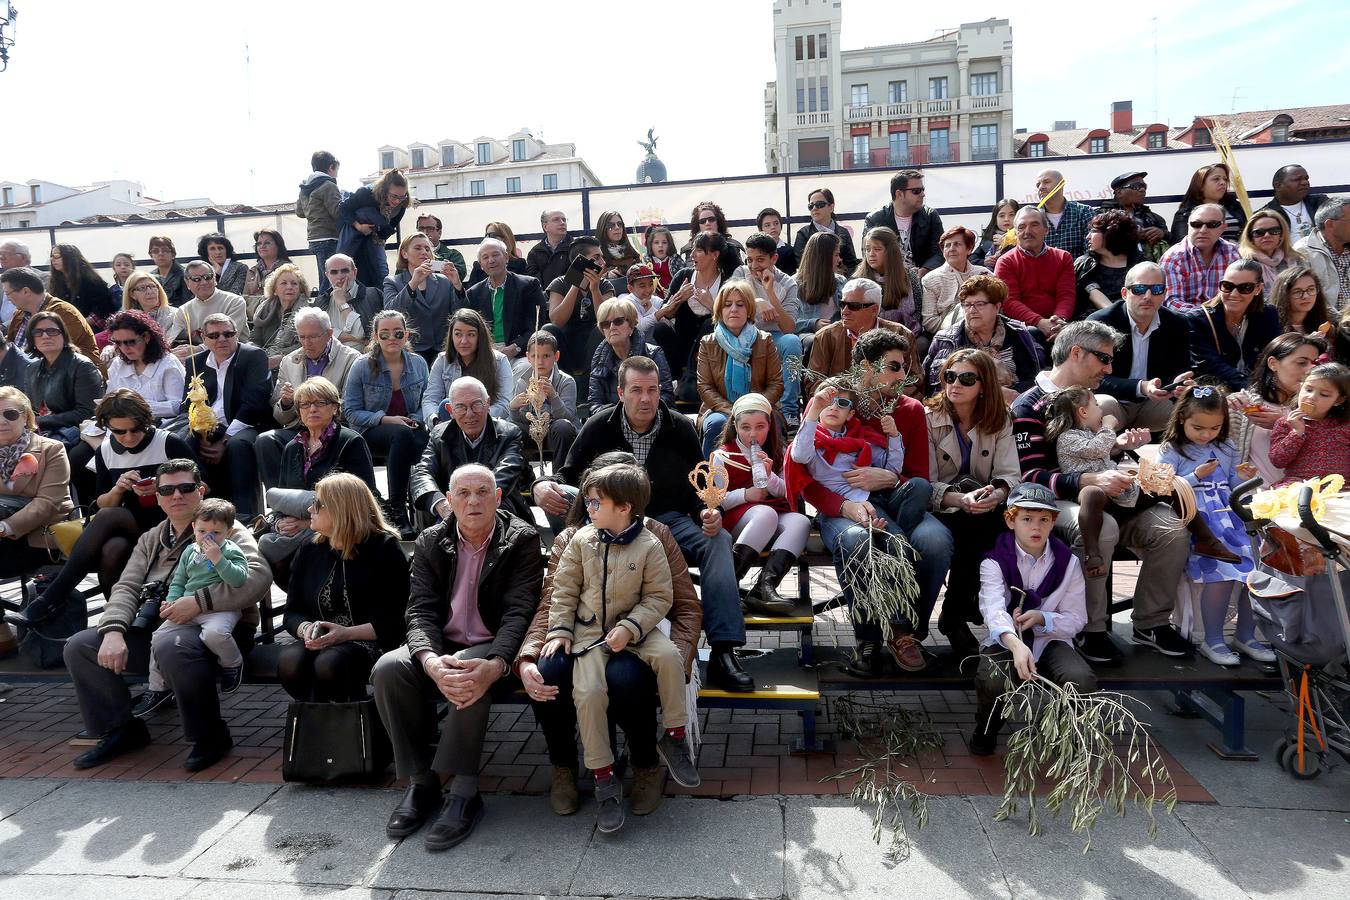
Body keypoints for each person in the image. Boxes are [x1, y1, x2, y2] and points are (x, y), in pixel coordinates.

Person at [531, 356, 754, 692]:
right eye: (636, 390)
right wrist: (540, 486)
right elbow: (567, 475)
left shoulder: (679, 427)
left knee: (718, 540)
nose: (646, 399)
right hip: (611, 524)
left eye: (653, 390)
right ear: (620, 392)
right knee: (557, 490)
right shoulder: (599, 425)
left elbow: (699, 488)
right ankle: (572, 620)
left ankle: (723, 651)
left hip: (669, 519)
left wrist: (707, 514)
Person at [372, 463, 542, 851]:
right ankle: (421, 781)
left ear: (498, 498)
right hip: (442, 643)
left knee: (467, 669)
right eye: (463, 494)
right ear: (448, 502)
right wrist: (429, 660)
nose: (473, 501)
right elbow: (420, 611)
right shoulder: (432, 540)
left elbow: (520, 611)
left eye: (483, 492)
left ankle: (465, 792)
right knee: (388, 669)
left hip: (496, 644)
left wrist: (497, 663)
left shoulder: (522, 539)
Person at [62, 459, 272, 771]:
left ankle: (210, 735)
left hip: (217, 632)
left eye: (186, 488)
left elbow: (257, 578)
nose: (177, 495)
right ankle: (122, 729)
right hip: (159, 627)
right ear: (157, 497)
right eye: (167, 490)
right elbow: (127, 586)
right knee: (80, 646)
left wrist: (199, 602)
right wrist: (114, 631)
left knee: (171, 645)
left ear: (200, 492)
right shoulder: (151, 538)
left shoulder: (224, 530)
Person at [1011, 321, 1192, 665]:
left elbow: (1101, 452)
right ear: (1076, 353)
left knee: (1172, 528)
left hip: (1111, 496)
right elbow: (1030, 477)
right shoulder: (1029, 405)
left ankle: (1150, 623)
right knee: (1099, 527)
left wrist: (1121, 455)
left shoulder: (1094, 403)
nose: (1109, 369)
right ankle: (1089, 629)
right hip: (1057, 502)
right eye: (1104, 359)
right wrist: (1089, 481)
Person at [542, 462, 699, 832]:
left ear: (625, 507)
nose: (588, 509)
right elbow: (562, 591)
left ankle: (673, 737)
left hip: (638, 630)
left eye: (596, 503)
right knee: (590, 692)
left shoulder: (651, 544)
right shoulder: (580, 541)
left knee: (670, 657)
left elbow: (661, 596)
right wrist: (561, 629)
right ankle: (603, 777)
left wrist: (631, 627)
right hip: (588, 633)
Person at [790, 368, 935, 676]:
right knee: (856, 542)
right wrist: (812, 414)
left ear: (851, 412)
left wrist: (893, 436)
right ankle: (867, 638)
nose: (833, 405)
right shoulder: (813, 440)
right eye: (826, 399)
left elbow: (892, 468)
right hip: (834, 515)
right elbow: (800, 456)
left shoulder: (863, 440)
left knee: (900, 547)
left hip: (874, 509)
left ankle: (900, 630)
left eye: (841, 402)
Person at [9, 389, 193, 628]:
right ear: (107, 427)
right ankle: (121, 622)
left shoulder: (168, 442)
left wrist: (164, 487)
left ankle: (50, 599)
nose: (128, 437)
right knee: (112, 548)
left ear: (146, 423)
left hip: (173, 522)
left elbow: (204, 486)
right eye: (119, 431)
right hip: (133, 527)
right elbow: (101, 501)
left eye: (135, 430)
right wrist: (118, 489)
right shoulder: (106, 449)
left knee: (109, 518)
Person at [1046, 385, 1235, 578]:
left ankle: (1207, 541)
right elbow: (1096, 448)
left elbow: (1104, 454)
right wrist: (1109, 426)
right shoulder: (1068, 437)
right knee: (1091, 493)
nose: (1101, 411)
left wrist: (1121, 447)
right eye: (1096, 405)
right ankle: (1092, 554)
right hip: (1099, 498)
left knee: (1173, 485)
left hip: (1122, 493)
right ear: (1083, 412)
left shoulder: (1094, 435)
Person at [968, 483, 1094, 756]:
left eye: (1043, 520)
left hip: (1051, 639)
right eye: (1027, 519)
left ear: (1053, 522)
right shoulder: (994, 562)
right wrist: (1015, 645)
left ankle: (1064, 734)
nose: (1036, 528)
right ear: (1010, 520)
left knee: (1080, 678)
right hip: (1007, 641)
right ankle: (987, 728)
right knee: (994, 679)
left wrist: (1042, 618)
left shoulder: (1068, 562)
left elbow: (1076, 618)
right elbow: (993, 610)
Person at [1157, 387, 1270, 666]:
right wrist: (1196, 475)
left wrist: (1243, 478)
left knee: (1255, 570)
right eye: (1199, 427)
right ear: (1181, 418)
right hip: (1198, 519)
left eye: (1214, 427)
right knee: (1220, 573)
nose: (1207, 434)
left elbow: (1232, 484)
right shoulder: (1172, 449)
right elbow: (1164, 487)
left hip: (1228, 514)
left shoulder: (1226, 446)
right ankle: (1214, 639)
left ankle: (1246, 635)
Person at [924, 349, 1020, 659]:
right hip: (941, 506)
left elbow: (1009, 475)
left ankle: (961, 613)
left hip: (982, 506)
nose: (955, 384)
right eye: (949, 376)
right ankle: (958, 613)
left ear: (983, 385)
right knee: (972, 522)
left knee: (993, 521)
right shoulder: (928, 418)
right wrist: (959, 499)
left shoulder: (1000, 417)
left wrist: (996, 494)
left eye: (966, 378)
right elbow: (924, 481)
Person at [280, 472, 409, 702]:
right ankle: (324, 722)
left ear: (341, 509)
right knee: (289, 663)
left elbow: (397, 619)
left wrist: (345, 634)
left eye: (317, 504)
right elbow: (292, 612)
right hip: (321, 640)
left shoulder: (383, 548)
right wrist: (306, 629)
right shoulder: (310, 549)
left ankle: (354, 723)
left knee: (330, 664)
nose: (310, 509)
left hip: (370, 641)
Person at [136, 498, 251, 712]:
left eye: (215, 533)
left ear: (229, 531)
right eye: (201, 531)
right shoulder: (190, 551)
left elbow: (238, 580)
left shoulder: (231, 551)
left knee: (215, 634)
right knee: (159, 637)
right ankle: (156, 687)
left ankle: (232, 664)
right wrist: (171, 601)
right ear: (193, 528)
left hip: (220, 608)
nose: (207, 537)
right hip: (187, 607)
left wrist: (219, 560)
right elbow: (179, 581)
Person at [263, 377, 377, 586]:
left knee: (302, 556)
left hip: (338, 528)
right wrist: (280, 523)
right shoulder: (292, 447)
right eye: (305, 404)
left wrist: (309, 523)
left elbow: (364, 498)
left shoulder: (350, 442)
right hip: (297, 530)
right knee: (265, 550)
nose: (312, 409)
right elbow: (282, 498)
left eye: (320, 403)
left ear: (334, 408)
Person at [714, 393, 810, 614]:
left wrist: (771, 477)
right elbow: (715, 501)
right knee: (766, 514)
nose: (753, 434)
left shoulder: (778, 451)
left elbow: (789, 492)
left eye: (760, 427)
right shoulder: (722, 456)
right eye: (745, 427)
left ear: (770, 426)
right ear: (735, 427)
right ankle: (727, 589)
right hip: (738, 520)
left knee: (800, 522)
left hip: (771, 515)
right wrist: (746, 494)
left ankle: (763, 588)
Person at [342, 310, 429, 535]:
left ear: (407, 335)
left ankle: (425, 508)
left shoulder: (418, 364)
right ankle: (397, 509)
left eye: (398, 333)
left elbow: (425, 403)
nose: (392, 339)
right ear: (375, 337)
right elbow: (351, 412)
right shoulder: (362, 366)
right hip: (370, 431)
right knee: (401, 435)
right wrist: (385, 418)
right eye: (385, 334)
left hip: (409, 429)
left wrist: (415, 419)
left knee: (426, 439)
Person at [176, 314, 272, 520]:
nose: (222, 339)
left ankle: (246, 516)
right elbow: (188, 405)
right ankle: (198, 510)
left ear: (236, 334)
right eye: (214, 335)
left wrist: (226, 438)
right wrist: (201, 435)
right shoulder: (196, 361)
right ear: (203, 337)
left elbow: (254, 404)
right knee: (183, 442)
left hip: (246, 423)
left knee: (237, 445)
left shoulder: (253, 356)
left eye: (228, 334)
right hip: (208, 427)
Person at [257, 307, 361, 487]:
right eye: (302, 337)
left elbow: (350, 405)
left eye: (313, 336)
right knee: (265, 440)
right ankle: (280, 502)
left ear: (329, 334)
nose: (307, 342)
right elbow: (279, 415)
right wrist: (287, 403)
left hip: (334, 429)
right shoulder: (290, 361)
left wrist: (317, 406)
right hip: (298, 427)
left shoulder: (351, 359)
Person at [1086, 261, 1196, 431]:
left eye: (1156, 290)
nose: (1147, 296)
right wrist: (1141, 387)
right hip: (1113, 403)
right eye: (1138, 289)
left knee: (1193, 407)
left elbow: (1179, 370)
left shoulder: (1177, 323)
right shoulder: (1100, 323)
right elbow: (1091, 378)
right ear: (1124, 293)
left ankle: (1180, 458)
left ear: (1164, 294)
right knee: (1101, 406)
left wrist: (1177, 385)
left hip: (1153, 404)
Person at [411, 375, 530, 523]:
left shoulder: (509, 434)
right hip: (450, 508)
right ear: (450, 410)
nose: (469, 414)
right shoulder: (439, 435)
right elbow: (422, 472)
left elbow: (505, 475)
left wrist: (469, 503)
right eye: (461, 407)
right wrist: (441, 503)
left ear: (488, 404)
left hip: (494, 508)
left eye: (476, 405)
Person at [696, 281, 784, 457]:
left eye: (740, 304)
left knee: (771, 422)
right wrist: (734, 412)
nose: (733, 309)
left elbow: (776, 383)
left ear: (749, 309)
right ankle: (710, 481)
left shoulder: (764, 340)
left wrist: (754, 409)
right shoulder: (708, 342)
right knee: (716, 424)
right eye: (727, 305)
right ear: (720, 310)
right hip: (719, 409)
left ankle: (774, 479)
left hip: (760, 408)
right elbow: (705, 387)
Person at [1228, 332, 1325, 486]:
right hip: (1254, 501)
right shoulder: (1243, 404)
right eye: (1301, 362)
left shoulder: (1322, 408)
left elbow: (1331, 452)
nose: (1309, 370)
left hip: (1305, 500)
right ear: (1273, 363)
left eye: (1315, 364)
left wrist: (1283, 424)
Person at [0, 386, 73, 579]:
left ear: (25, 418)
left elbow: (47, 503)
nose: (2, 421)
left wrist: (5, 527)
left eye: (10, 414)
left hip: (39, 536)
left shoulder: (52, 449)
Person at [808, 278, 921, 399]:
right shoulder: (825, 336)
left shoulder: (902, 334)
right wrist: (846, 402)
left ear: (874, 310)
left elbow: (914, 382)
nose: (844, 311)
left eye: (853, 306)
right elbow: (814, 383)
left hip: (889, 409)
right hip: (841, 409)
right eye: (842, 304)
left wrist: (882, 401)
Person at [733, 232, 803, 426]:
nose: (754, 266)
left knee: (793, 342)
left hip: (777, 336)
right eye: (750, 259)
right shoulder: (740, 273)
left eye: (760, 260)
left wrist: (770, 292)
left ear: (774, 258)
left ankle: (790, 411)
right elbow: (727, 304)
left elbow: (789, 327)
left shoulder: (788, 283)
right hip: (745, 332)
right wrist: (757, 302)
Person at [1190, 259, 1282, 390]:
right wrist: (1252, 388)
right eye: (1227, 286)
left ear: (1258, 289)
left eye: (1245, 288)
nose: (1234, 294)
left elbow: (1278, 354)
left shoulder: (1268, 315)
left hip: (1259, 388)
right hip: (1217, 392)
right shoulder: (1198, 320)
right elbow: (1211, 366)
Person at [22, 311, 104, 448]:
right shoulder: (32, 369)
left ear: (64, 336)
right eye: (38, 332)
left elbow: (87, 413)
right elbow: (30, 409)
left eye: (52, 331)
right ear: (32, 340)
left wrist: (39, 421)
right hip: (42, 431)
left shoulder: (82, 366)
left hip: (78, 434)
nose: (46, 336)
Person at [993, 207, 1075, 341]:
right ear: (1015, 233)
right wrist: (1039, 322)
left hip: (1058, 325)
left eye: (1034, 225)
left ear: (1046, 230)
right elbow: (1009, 302)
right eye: (1021, 227)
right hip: (1022, 328)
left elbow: (1066, 295)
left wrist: (1058, 321)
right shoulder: (1005, 262)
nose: (1027, 232)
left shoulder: (1063, 257)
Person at [424, 308, 514, 424]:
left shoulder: (499, 361)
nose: (463, 341)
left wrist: (473, 418)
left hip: (487, 424)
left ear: (479, 336)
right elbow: (430, 399)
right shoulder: (442, 360)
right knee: (444, 404)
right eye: (458, 334)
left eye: (471, 334)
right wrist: (436, 420)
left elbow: (504, 404)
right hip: (450, 424)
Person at [464, 237, 547, 362]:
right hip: (486, 352)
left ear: (506, 257)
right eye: (485, 257)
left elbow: (536, 325)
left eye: (495, 255)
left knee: (526, 368)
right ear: (480, 265)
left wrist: (515, 347)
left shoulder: (528, 285)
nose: (491, 260)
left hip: (520, 351)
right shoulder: (473, 293)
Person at [1269, 362, 1350, 487]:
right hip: (1298, 486)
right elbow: (1278, 460)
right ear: (1301, 387)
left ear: (1338, 400)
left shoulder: (1345, 425)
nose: (1311, 397)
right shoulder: (1285, 423)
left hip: (1340, 487)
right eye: (1308, 389)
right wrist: (1296, 433)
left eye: (1323, 394)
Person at [3, 266, 101, 368]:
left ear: (25, 291)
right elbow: (9, 347)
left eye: (7, 294)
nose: (8, 299)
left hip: (73, 378)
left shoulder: (63, 313)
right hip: (27, 375)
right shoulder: (19, 314)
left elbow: (59, 355)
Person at [384, 232, 457, 368]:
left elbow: (459, 313)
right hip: (411, 352)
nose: (424, 252)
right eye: (418, 248)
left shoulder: (444, 281)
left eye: (427, 249)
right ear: (404, 254)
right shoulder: (393, 281)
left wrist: (458, 285)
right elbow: (390, 313)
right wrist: (413, 283)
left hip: (442, 352)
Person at [663, 231, 727, 386]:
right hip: (681, 346)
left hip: (710, 352)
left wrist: (711, 305)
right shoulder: (683, 275)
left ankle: (691, 379)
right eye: (692, 250)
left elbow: (731, 320)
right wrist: (678, 299)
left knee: (710, 324)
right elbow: (666, 313)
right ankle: (672, 381)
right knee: (660, 330)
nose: (692, 255)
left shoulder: (726, 281)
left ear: (714, 255)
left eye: (698, 250)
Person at [588, 297, 675, 409]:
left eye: (618, 321)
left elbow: (666, 397)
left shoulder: (653, 354)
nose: (612, 327)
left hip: (651, 418)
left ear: (631, 326)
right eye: (606, 324)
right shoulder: (599, 359)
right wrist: (620, 416)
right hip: (612, 422)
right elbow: (594, 404)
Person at [546, 237, 615, 379]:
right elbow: (556, 321)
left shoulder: (605, 285)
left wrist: (595, 290)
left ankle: (592, 381)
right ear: (580, 261)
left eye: (602, 257)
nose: (602, 262)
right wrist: (575, 284)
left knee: (602, 328)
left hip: (594, 342)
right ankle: (562, 380)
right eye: (596, 257)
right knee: (548, 329)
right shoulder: (559, 283)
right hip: (566, 343)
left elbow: (606, 319)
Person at [507, 331, 578, 463]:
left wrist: (553, 396)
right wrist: (513, 408)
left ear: (556, 356)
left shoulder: (566, 381)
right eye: (535, 356)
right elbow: (521, 419)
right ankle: (521, 477)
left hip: (556, 433)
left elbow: (568, 416)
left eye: (546, 356)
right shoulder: (523, 381)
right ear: (528, 357)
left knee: (563, 427)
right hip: (532, 431)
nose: (540, 362)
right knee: (509, 429)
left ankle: (561, 476)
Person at [1160, 203, 1242, 313]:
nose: (1203, 230)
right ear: (1188, 225)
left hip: (1227, 317)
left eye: (1212, 224)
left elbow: (1241, 295)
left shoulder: (1234, 254)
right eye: (1196, 224)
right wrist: (1207, 315)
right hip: (1187, 323)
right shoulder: (1173, 258)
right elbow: (1171, 302)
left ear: (1223, 228)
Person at [338, 169, 410, 288]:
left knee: (381, 272)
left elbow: (390, 227)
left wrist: (378, 232)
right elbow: (343, 208)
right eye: (394, 196)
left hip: (376, 236)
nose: (397, 201)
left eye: (402, 197)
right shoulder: (366, 193)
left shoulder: (402, 204)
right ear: (384, 190)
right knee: (344, 267)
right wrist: (358, 226)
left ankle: (383, 300)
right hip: (353, 231)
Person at [863, 169, 943, 275]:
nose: (922, 194)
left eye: (922, 190)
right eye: (916, 191)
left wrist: (925, 270)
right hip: (888, 279)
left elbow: (939, 251)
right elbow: (869, 254)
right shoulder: (875, 219)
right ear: (899, 194)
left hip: (924, 280)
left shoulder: (930, 215)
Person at [921, 226, 989, 336]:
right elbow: (929, 322)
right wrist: (960, 327)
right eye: (947, 245)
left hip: (984, 333)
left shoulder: (984, 274)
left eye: (957, 244)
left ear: (969, 249)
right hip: (946, 337)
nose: (951, 248)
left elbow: (995, 307)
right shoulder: (930, 280)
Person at [171, 259, 250, 352]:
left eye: (208, 277)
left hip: (233, 355)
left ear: (215, 279)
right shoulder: (183, 310)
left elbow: (229, 337)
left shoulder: (234, 302)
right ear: (187, 283)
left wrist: (199, 349)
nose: (204, 282)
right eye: (196, 279)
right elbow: (173, 340)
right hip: (195, 358)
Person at [854, 226, 921, 333]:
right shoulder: (858, 279)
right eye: (867, 249)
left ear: (891, 252)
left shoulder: (909, 275)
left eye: (877, 249)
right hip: (868, 334)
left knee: (922, 343)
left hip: (905, 331)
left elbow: (918, 312)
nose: (871, 254)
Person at [1074, 210, 1140, 315]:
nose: (1088, 237)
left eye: (1094, 231)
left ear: (1110, 233)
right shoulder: (1084, 264)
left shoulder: (1140, 265)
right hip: (1089, 326)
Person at [296, 150, 342, 293]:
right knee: (330, 280)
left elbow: (299, 212)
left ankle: (322, 308)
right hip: (329, 236)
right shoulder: (328, 185)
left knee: (325, 276)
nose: (337, 174)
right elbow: (337, 212)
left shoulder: (305, 188)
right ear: (331, 167)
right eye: (337, 170)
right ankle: (322, 309)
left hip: (314, 238)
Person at [313, 253, 382, 348]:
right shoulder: (321, 301)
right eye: (334, 272)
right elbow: (318, 336)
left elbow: (360, 333)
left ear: (354, 272)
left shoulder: (373, 295)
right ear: (327, 275)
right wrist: (356, 339)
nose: (340, 276)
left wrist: (341, 303)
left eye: (345, 271)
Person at [1097, 172, 1170, 262]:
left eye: (1144, 186)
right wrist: (1130, 236)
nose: (1142, 190)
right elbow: (1096, 243)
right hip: (1116, 270)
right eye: (1136, 186)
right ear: (1119, 192)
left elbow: (1173, 242)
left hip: (1150, 271)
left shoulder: (1154, 219)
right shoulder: (1102, 217)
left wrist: (1162, 233)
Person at [1169, 163, 1247, 245]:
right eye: (1216, 179)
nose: (1223, 183)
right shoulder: (1185, 214)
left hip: (1238, 254)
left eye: (1225, 179)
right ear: (1201, 185)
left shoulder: (1235, 207)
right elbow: (1181, 243)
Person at [251, 263, 311, 369]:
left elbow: (307, 343)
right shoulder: (265, 309)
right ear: (274, 290)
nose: (289, 287)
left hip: (296, 363)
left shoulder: (308, 313)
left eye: (294, 284)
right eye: (284, 283)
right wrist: (259, 356)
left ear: (300, 289)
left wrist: (282, 356)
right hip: (264, 360)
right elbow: (254, 339)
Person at [1294, 197, 1350, 310]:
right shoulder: (1303, 252)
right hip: (1327, 323)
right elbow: (1306, 299)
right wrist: (1341, 322)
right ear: (1330, 224)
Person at [49, 243, 116, 332]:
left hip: (90, 328)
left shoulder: (89, 279)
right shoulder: (57, 282)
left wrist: (77, 324)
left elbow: (103, 311)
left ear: (70, 257)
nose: (52, 259)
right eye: (51, 256)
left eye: (57, 256)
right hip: (67, 327)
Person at [1238, 209, 1304, 299]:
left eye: (1274, 230)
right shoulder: (1242, 263)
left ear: (1281, 235)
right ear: (1250, 237)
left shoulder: (1296, 260)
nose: (1267, 235)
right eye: (1259, 232)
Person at [793, 188, 859, 275]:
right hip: (814, 283)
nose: (814, 208)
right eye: (811, 206)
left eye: (819, 204)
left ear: (831, 207)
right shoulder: (803, 234)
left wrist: (842, 279)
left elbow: (851, 264)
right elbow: (802, 264)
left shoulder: (843, 232)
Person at [1034, 169, 1095, 261]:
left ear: (1061, 184)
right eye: (1038, 184)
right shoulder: (1033, 217)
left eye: (1046, 182)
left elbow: (1092, 252)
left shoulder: (1084, 212)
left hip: (1077, 273)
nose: (1041, 187)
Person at [794, 231, 845, 336]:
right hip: (809, 336)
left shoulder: (840, 281)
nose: (839, 260)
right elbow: (788, 324)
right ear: (823, 258)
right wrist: (813, 324)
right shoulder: (794, 284)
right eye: (836, 255)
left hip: (837, 334)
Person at [1261, 165, 1329, 242]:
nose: (1305, 182)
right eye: (1297, 179)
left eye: (1306, 178)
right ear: (1278, 186)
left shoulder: (1321, 203)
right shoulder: (1266, 215)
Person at [680, 202, 743, 275]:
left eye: (711, 219)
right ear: (698, 225)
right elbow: (692, 272)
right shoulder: (689, 249)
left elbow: (738, 274)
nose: (707, 223)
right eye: (702, 221)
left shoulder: (733, 246)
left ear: (718, 222)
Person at [241, 227, 292, 314]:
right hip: (253, 319)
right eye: (259, 243)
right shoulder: (252, 271)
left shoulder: (288, 270)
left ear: (278, 246)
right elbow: (245, 299)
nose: (262, 246)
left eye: (267, 243)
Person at [1271, 266, 1331, 336]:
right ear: (1284, 294)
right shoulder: (1272, 325)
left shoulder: (1326, 324)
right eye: (1297, 292)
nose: (1305, 296)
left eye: (1311, 289)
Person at [121, 270, 179, 337]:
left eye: (152, 286)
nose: (149, 291)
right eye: (142, 288)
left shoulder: (176, 315)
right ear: (132, 294)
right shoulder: (127, 320)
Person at [416, 213, 467, 290]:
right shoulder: (409, 254)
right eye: (421, 229)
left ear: (439, 233)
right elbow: (401, 278)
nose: (425, 232)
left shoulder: (453, 255)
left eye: (430, 229)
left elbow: (458, 276)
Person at [526, 210, 573, 287]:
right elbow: (533, 281)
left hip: (571, 297)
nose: (562, 223)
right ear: (545, 227)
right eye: (556, 220)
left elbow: (578, 279)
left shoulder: (576, 248)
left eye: (564, 219)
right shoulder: (535, 252)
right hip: (544, 297)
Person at [970, 198, 1019, 269]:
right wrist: (984, 262)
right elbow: (971, 260)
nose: (1006, 219)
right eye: (1002, 216)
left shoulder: (1024, 237)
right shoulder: (988, 237)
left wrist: (1006, 243)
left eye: (1011, 215)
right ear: (995, 219)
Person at [595, 210, 641, 284]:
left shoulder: (633, 254)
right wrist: (606, 275)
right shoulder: (596, 255)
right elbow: (589, 282)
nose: (617, 227)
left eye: (620, 224)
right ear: (603, 228)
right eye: (611, 225)